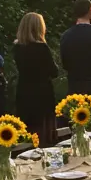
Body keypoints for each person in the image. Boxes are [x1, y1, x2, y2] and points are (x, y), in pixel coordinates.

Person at [13, 12, 59, 146]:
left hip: (24, 91)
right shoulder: (42, 48)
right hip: (42, 93)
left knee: (27, 129)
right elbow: (54, 71)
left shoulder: (17, 48)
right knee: (43, 131)